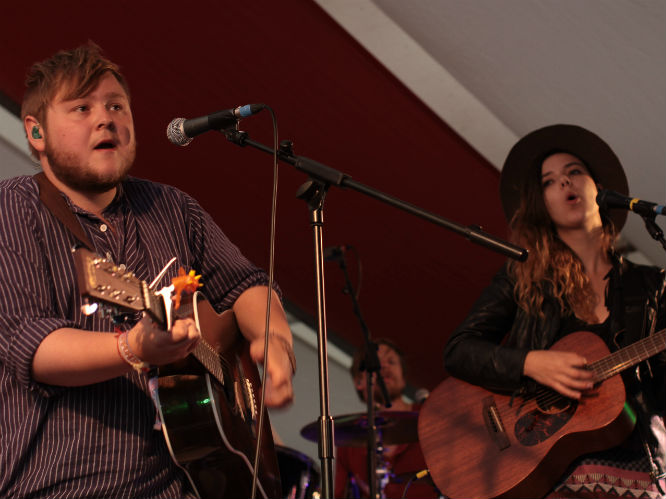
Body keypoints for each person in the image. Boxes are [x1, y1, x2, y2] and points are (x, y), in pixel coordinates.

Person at [0, 43, 295, 498]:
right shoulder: (15, 208)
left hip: (188, 485)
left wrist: (273, 343)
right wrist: (132, 347)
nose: (106, 119)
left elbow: (248, 286)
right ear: (36, 133)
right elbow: (33, 345)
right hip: (64, 483)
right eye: (81, 108)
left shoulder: (174, 208)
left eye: (116, 105)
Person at [444, 124, 665, 498]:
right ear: (541, 202)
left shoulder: (652, 285)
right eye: (550, 180)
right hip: (552, 472)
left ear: (599, 188)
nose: (565, 183)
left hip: (641, 469)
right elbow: (459, 350)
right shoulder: (522, 277)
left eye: (574, 172)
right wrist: (531, 363)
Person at [334, 339, 437, 498]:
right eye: (376, 363)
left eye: (391, 361)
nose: (384, 366)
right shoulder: (347, 438)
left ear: (403, 376)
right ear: (359, 381)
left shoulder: (431, 418)